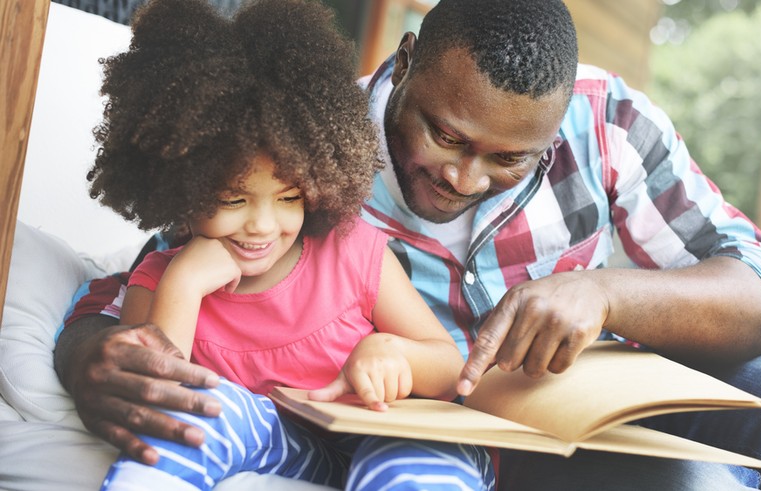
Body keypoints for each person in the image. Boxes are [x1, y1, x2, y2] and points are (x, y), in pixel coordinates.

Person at [55, 0, 761, 489]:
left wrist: (606, 292)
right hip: (477, 444)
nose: (462, 175)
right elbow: (151, 274)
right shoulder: (302, 145)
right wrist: (91, 349)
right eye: (442, 133)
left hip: (602, 405)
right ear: (407, 62)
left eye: (508, 157)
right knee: (687, 479)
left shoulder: (609, 122)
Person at [76, 0, 495, 489]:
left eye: (289, 196)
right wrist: (185, 283)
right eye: (232, 198)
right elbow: (158, 402)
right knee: (203, 416)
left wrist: (394, 354)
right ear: (179, 188)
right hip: (287, 447)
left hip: (388, 434)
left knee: (418, 462)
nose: (262, 225)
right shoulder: (161, 281)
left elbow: (449, 369)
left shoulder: (353, 251)